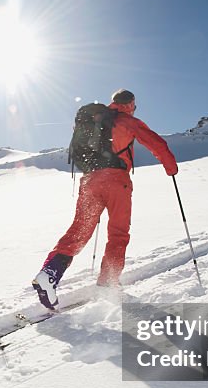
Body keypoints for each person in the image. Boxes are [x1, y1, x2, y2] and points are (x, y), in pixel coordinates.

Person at [32, 89, 178, 309]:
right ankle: (108, 283)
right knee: (118, 233)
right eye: (134, 106)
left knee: (79, 230)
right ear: (130, 104)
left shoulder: (94, 119)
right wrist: (171, 169)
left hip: (90, 181)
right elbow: (157, 144)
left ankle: (50, 272)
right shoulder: (127, 121)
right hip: (117, 183)